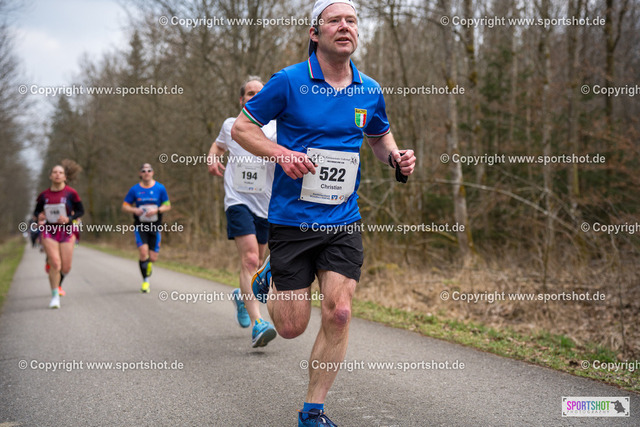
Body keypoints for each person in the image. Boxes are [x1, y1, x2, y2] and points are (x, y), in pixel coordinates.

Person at [231, 1, 416, 424]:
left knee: (340, 311)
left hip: (342, 220)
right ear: (315, 33)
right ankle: (271, 273)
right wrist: (281, 154)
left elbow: (379, 138)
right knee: (290, 326)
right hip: (292, 219)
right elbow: (243, 129)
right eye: (335, 20)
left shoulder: (369, 89)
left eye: (351, 20)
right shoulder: (289, 81)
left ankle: (312, 412)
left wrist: (396, 158)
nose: (345, 26)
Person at [208, 76, 278, 348]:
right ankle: (258, 324)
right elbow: (218, 145)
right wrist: (213, 158)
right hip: (238, 201)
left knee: (258, 263)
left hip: (266, 206)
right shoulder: (231, 125)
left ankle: (241, 295)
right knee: (249, 260)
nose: (255, 97)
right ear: (242, 100)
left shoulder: (276, 127)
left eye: (260, 93)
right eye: (250, 93)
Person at [34, 161, 84, 309]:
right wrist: (40, 216)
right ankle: (55, 296)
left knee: (65, 268)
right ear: (50, 176)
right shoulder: (44, 195)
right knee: (56, 263)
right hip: (49, 230)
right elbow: (37, 212)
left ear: (65, 177)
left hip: (67, 231)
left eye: (60, 172)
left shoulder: (71, 193)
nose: (57, 175)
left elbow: (81, 211)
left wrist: (69, 218)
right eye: (55, 172)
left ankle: (57, 279)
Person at [122, 163, 171, 293]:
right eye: (143, 171)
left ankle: (148, 265)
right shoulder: (135, 190)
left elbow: (167, 205)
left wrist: (157, 210)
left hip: (155, 226)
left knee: (153, 257)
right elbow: (125, 206)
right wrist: (134, 210)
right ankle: (145, 281)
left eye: (149, 170)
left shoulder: (160, 188)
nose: (146, 173)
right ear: (140, 174)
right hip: (140, 226)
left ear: (153, 172)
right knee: (143, 252)